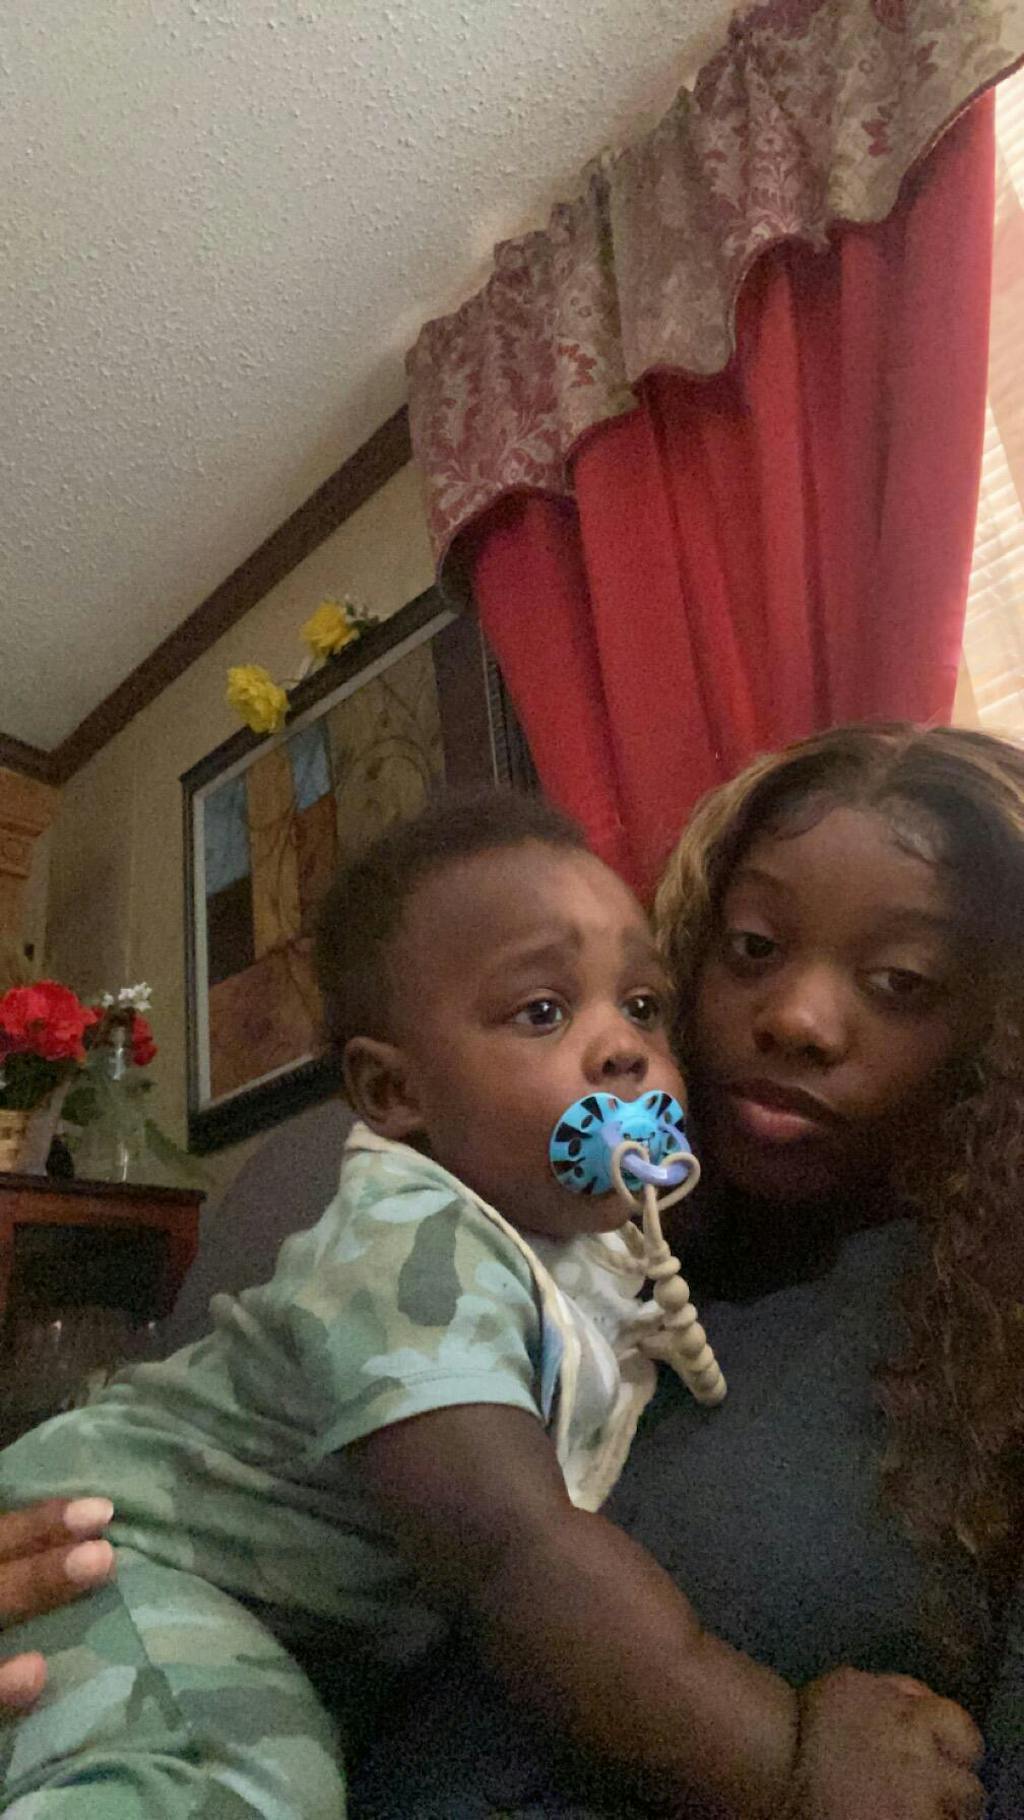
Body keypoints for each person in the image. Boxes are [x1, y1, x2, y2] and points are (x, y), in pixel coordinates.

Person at [1, 725, 1016, 1816]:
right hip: (124, 1558)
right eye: (753, 947)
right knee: (241, 1783)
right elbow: (510, 1549)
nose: (797, 1018)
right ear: (395, 1094)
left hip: (236, 1611)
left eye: (640, 1007)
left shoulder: (612, 1258)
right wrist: (782, 1759)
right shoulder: (414, 1244)